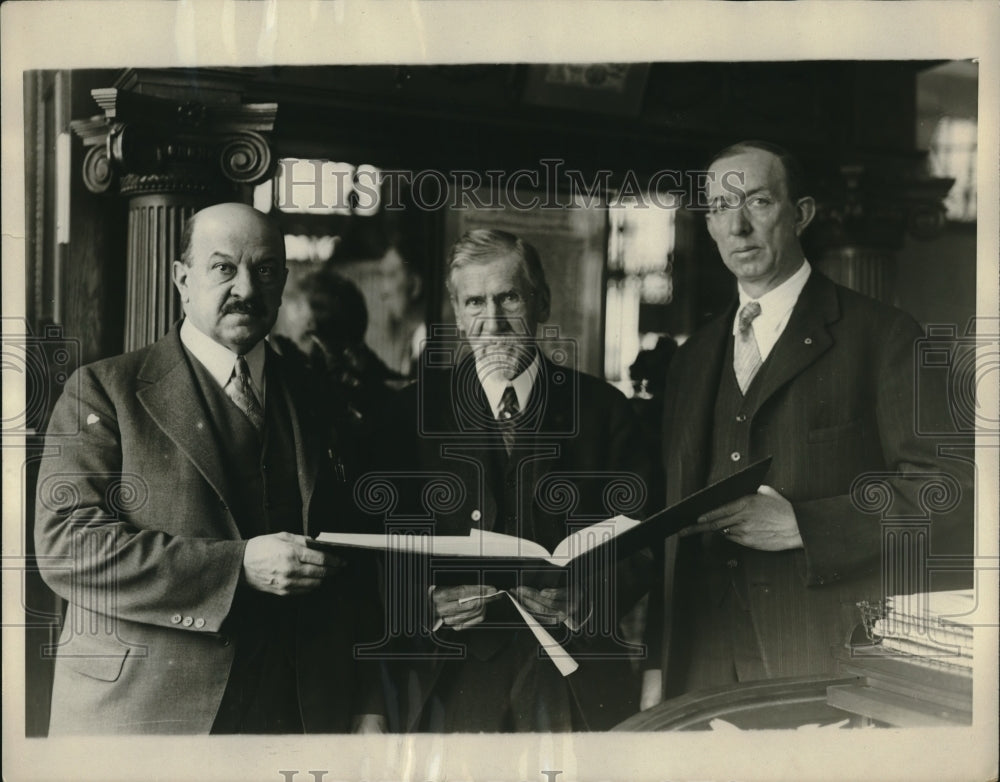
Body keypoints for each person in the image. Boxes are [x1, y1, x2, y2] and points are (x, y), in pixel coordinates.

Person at [641, 141, 973, 706]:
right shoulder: (693, 356)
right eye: (721, 208)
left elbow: (949, 491)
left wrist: (805, 526)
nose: (739, 226)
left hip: (824, 656)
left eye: (759, 201)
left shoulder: (884, 335)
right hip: (700, 662)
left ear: (802, 214)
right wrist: (657, 663)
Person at [34, 203, 384, 735]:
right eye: (223, 267)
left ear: (284, 280)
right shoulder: (104, 391)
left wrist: (367, 705)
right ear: (182, 278)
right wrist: (236, 567)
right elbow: (66, 547)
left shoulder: (320, 397)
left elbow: (359, 565)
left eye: (265, 270)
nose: (246, 287)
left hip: (299, 718)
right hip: (146, 720)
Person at [381, 229, 654, 732]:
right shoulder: (408, 415)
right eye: (475, 302)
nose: (493, 320)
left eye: (508, 297)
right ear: (458, 315)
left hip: (573, 679)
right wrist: (422, 602)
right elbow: (372, 542)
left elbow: (647, 541)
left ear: (541, 301)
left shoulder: (602, 411)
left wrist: (587, 599)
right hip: (446, 680)